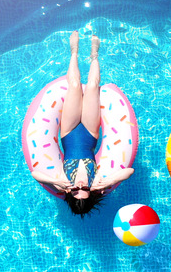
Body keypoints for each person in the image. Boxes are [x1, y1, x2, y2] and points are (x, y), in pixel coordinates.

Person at [31, 31, 134, 217]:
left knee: (75, 85)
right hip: (89, 133)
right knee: (93, 86)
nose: (79, 188)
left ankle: (74, 51)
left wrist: (56, 183)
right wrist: (109, 182)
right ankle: (95, 54)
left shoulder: (62, 183)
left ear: (70, 195)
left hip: (68, 132)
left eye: (75, 192)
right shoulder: (98, 182)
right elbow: (129, 171)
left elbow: (35, 175)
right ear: (90, 194)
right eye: (83, 192)